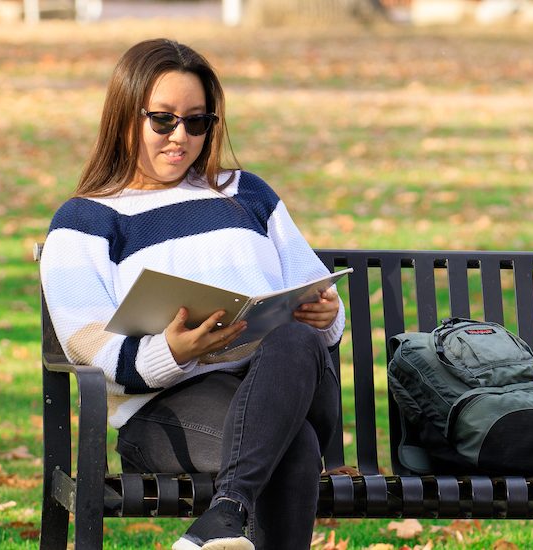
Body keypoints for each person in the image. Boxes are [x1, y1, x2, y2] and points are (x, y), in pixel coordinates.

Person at [39, 38, 343, 550]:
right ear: (124, 117)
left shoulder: (248, 193)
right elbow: (84, 341)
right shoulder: (87, 221)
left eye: (197, 122)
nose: (181, 137)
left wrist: (326, 313)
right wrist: (170, 353)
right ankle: (225, 519)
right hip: (166, 409)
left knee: (296, 340)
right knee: (294, 447)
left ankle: (222, 516)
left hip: (284, 380)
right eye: (163, 120)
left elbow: (314, 290)